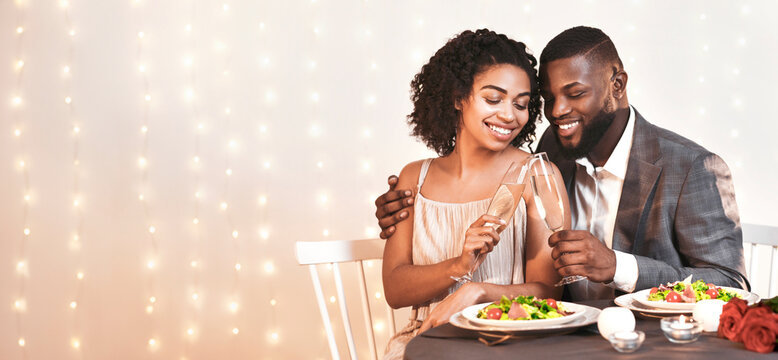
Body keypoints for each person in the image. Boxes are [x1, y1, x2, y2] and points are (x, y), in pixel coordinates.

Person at [375, 26, 749, 303]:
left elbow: (731, 284)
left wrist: (619, 267)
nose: (556, 112)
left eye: (575, 94)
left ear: (617, 84)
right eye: (549, 98)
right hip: (558, 336)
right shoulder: (552, 148)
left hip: (647, 343)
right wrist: (406, 211)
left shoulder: (691, 167)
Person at [381, 29, 569, 359]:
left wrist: (477, 291)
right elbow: (395, 291)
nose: (510, 116)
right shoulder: (414, 178)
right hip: (429, 340)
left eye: (521, 104)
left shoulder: (537, 175)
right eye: (493, 99)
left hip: (510, 339)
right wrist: (459, 264)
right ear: (457, 97)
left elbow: (550, 291)